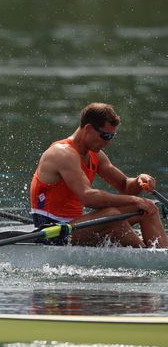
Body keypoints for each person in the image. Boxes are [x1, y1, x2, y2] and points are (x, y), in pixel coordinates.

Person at [30, 102, 167, 248]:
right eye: (105, 136)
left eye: (112, 136)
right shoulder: (62, 153)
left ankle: (162, 253)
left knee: (148, 208)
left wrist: (140, 180)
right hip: (54, 231)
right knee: (112, 215)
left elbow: (125, 186)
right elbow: (87, 197)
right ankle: (148, 258)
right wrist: (134, 200)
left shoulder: (96, 155)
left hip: (77, 224)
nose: (107, 142)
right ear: (88, 128)